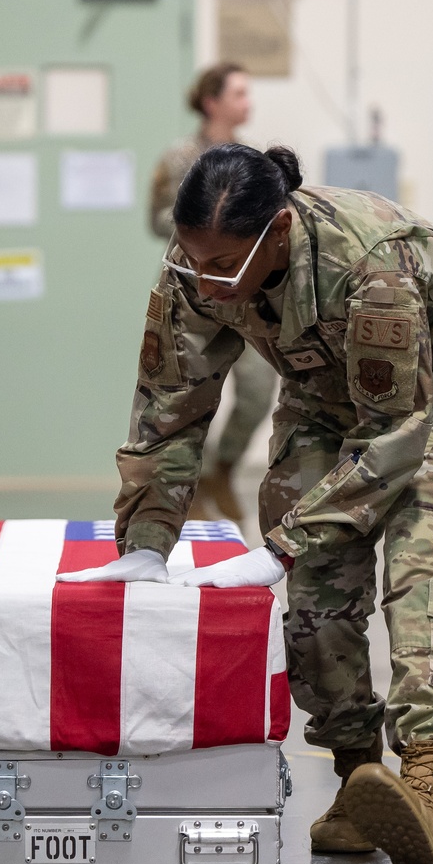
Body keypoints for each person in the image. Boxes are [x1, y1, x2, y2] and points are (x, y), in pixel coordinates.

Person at [59, 144, 433, 864]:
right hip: (329, 391)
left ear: (277, 234)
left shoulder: (371, 262)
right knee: (317, 582)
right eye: (189, 256)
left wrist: (280, 543)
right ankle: (360, 780)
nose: (202, 279)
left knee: (424, 554)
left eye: (221, 263)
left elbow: (399, 438)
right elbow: (166, 412)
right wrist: (147, 543)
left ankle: (429, 790)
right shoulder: (197, 266)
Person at [148, 64, 277, 522]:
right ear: (212, 101)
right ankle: (187, 495)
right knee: (191, 396)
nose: (249, 103)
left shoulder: (253, 160)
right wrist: (208, 221)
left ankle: (222, 471)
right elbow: (156, 218)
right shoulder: (179, 158)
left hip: (249, 295)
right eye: (239, 93)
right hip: (195, 296)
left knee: (260, 390)